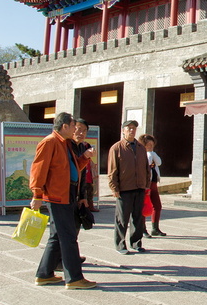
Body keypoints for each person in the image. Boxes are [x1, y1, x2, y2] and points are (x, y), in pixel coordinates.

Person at [30, 112, 96, 289]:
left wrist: (84, 158)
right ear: (65, 126)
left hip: (67, 195)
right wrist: (36, 195)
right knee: (68, 237)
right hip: (57, 197)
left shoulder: (65, 143)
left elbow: (72, 169)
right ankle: (74, 278)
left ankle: (44, 274)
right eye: (74, 126)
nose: (76, 129)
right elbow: (38, 170)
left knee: (56, 236)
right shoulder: (49, 142)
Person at [109, 120, 150, 255]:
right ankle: (120, 244)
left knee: (138, 218)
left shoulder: (141, 147)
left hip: (139, 187)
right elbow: (112, 171)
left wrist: (147, 185)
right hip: (124, 189)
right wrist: (114, 188)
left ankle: (136, 243)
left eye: (134, 128)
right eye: (129, 128)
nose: (132, 130)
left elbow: (146, 168)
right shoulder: (117, 148)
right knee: (122, 219)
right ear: (123, 130)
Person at [138, 134, 166, 237]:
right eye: (148, 144)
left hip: (153, 183)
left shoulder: (153, 154)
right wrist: (150, 154)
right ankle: (143, 229)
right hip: (145, 184)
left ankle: (155, 228)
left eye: (152, 144)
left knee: (157, 206)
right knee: (145, 207)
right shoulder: (142, 154)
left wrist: (153, 153)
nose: (150, 146)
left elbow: (159, 162)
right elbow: (148, 162)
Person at [71, 119, 97, 212]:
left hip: (76, 193)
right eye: (79, 129)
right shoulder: (65, 145)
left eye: (84, 131)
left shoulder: (83, 146)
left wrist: (82, 196)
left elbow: (81, 174)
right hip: (64, 194)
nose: (81, 133)